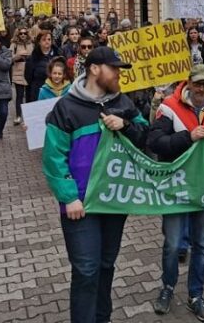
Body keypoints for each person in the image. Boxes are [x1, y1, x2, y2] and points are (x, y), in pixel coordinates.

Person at [42, 46, 149, 323]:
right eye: (113, 68)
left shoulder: (123, 103)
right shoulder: (66, 108)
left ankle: (103, 317)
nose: (118, 74)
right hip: (82, 205)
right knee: (87, 269)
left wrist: (125, 124)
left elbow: (145, 137)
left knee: (105, 265)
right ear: (94, 69)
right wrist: (69, 197)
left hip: (113, 202)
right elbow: (54, 158)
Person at [148, 64, 204, 322]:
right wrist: (188, 137)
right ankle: (168, 287)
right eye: (198, 84)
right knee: (173, 244)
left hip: (203, 189)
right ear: (189, 83)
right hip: (174, 188)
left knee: (202, 245)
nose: (201, 90)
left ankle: (196, 294)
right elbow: (155, 142)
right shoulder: (169, 107)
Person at [25, 30, 62, 102]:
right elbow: (28, 77)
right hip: (38, 91)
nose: (47, 41)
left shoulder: (58, 55)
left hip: (55, 91)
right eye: (44, 39)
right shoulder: (32, 58)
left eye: (49, 39)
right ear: (39, 42)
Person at [10, 28, 33, 125]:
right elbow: (10, 58)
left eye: (25, 33)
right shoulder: (14, 44)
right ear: (17, 34)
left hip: (29, 71)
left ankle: (28, 116)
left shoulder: (31, 43)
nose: (23, 35)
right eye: (21, 33)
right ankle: (18, 116)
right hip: (18, 71)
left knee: (29, 95)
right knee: (19, 95)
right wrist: (18, 56)